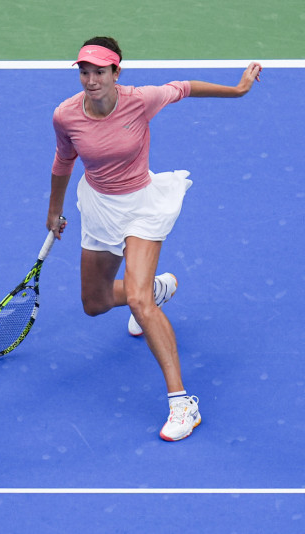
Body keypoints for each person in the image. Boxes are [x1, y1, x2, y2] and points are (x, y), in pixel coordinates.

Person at [46, 37, 262, 441]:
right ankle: (157, 289)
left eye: (99, 72)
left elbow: (185, 87)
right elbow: (63, 160)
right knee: (94, 303)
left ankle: (182, 404)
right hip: (99, 206)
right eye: (84, 72)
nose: (91, 80)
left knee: (138, 301)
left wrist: (237, 90)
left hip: (143, 206)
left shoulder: (141, 100)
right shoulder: (66, 115)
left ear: (116, 72)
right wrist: (54, 209)